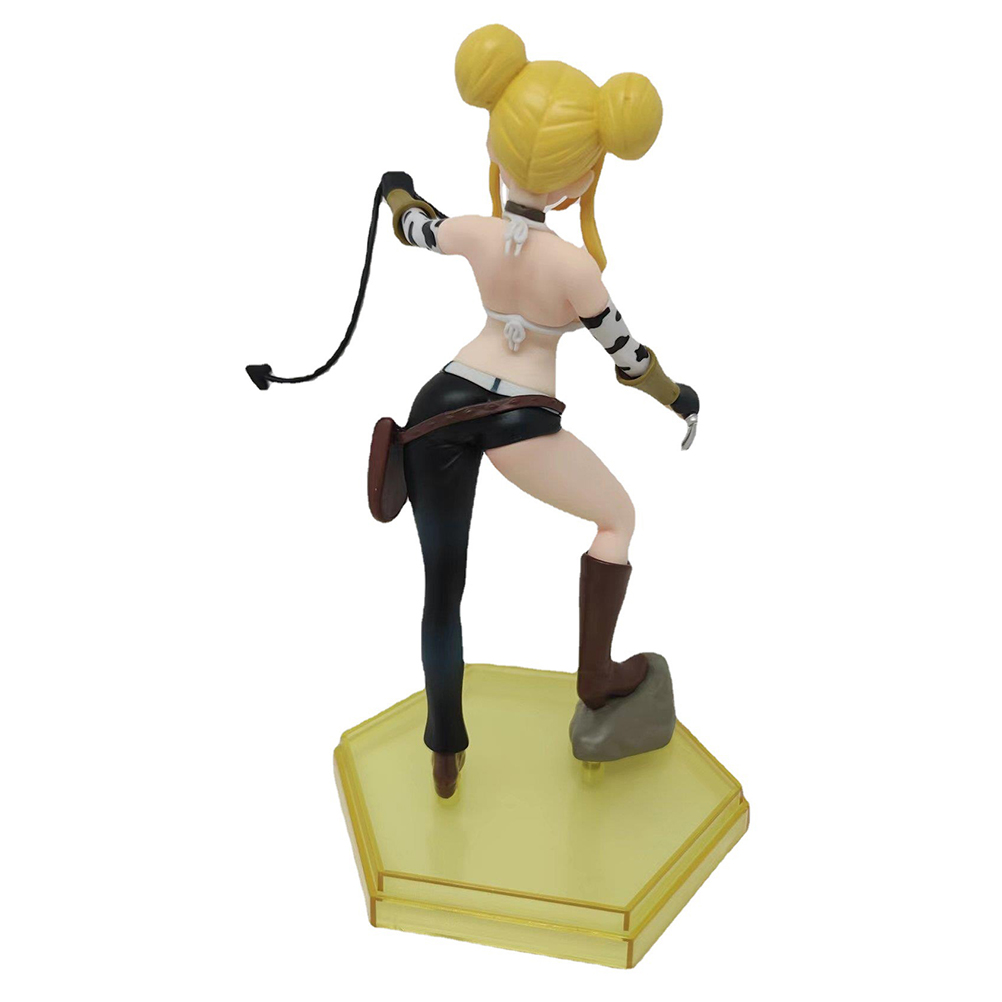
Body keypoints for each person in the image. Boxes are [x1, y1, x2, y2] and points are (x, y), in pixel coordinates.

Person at [382, 25, 698, 798]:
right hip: (518, 422)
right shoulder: (575, 268)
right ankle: (597, 678)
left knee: (441, 592)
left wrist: (395, 189)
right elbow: (629, 362)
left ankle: (445, 754)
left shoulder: (475, 231)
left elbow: (412, 225)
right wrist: (679, 398)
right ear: (583, 177)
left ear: (494, 144)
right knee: (617, 519)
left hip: (439, 404)